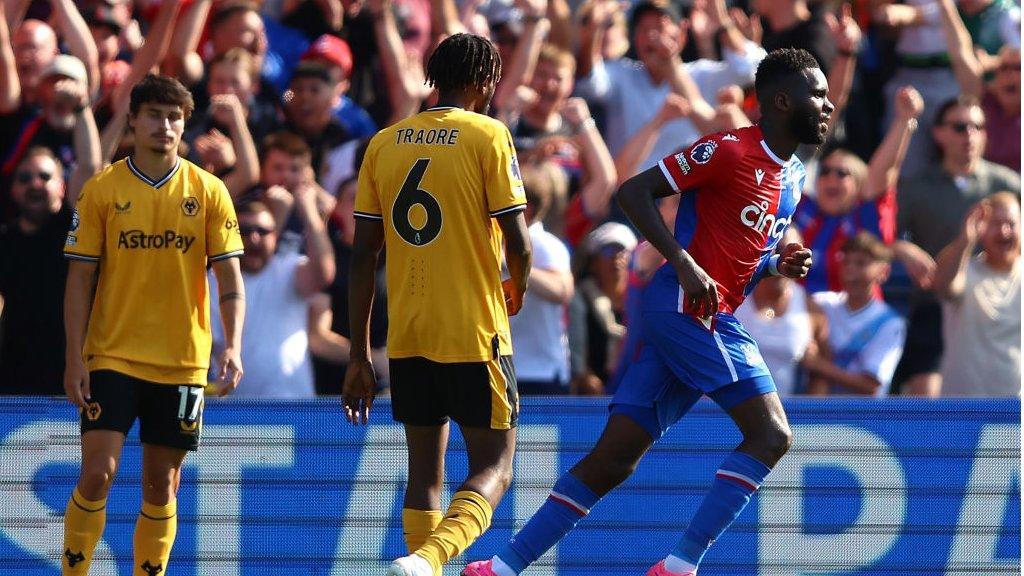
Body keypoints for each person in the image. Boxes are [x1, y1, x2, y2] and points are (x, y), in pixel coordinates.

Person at [464, 47, 827, 576]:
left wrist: (776, 265)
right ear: (779, 101)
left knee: (614, 458)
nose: (828, 104)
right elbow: (634, 191)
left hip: (698, 310)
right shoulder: (728, 150)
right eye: (816, 94)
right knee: (771, 435)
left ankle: (499, 567)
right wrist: (681, 263)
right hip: (686, 310)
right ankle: (680, 566)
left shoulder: (792, 175)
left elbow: (735, 256)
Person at [342, 33, 533, 576]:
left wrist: (359, 355)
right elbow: (517, 241)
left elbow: (362, 259)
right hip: (474, 330)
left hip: (408, 334)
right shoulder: (489, 135)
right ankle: (428, 560)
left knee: (424, 473)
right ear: (484, 82)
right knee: (495, 468)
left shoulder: (385, 142)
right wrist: (516, 282)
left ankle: (424, 564)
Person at [60, 74, 245, 576]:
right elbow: (79, 279)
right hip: (113, 354)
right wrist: (75, 356)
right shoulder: (103, 189)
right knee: (98, 474)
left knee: (162, 484)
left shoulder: (208, 191)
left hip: (182, 361)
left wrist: (232, 346)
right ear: (135, 121)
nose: (165, 126)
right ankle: (73, 571)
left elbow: (230, 275)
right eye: (156, 115)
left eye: (175, 117)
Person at [893, 97, 1020, 396]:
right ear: (939, 133)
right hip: (933, 305)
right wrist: (901, 248)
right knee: (930, 401)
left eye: (978, 126)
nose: (970, 135)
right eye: (960, 127)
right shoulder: (917, 186)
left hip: (1001, 303)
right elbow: (878, 238)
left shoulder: (1009, 184)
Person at [209, 196, 334, 398]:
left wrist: (310, 214)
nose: (254, 238)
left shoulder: (290, 268)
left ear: (276, 235)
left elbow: (323, 274)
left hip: (294, 404)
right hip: (234, 410)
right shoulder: (213, 280)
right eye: (245, 231)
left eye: (263, 231)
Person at [933, 193, 1020, 396]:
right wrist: (965, 240)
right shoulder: (965, 270)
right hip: (964, 413)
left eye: (1011, 223)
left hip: (1015, 415)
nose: (1004, 231)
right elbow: (943, 284)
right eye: (995, 223)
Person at [803, 232, 906, 396]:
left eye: (861, 263)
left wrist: (819, 364)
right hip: (820, 415)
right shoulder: (822, 304)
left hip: (863, 418)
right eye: (846, 262)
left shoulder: (891, 323)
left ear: (884, 272)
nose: (850, 269)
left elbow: (871, 386)